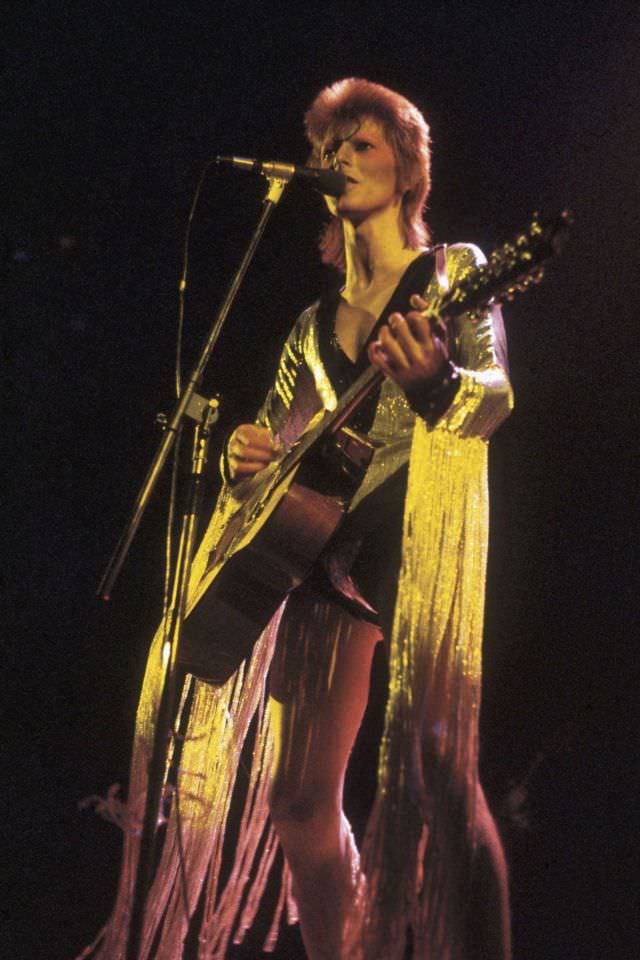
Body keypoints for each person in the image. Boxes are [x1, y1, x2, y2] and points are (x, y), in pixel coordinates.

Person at [88, 79, 513, 960]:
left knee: (442, 776)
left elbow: (496, 398)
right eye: (329, 147)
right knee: (298, 802)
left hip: (416, 546)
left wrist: (436, 382)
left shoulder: (457, 273)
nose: (338, 160)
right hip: (323, 558)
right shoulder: (308, 326)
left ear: (407, 168)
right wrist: (245, 459)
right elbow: (279, 453)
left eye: (361, 143)